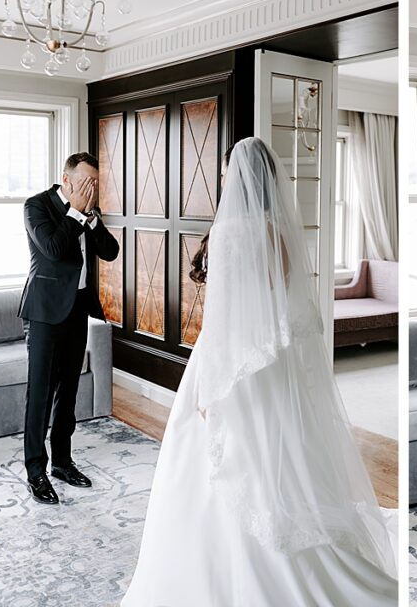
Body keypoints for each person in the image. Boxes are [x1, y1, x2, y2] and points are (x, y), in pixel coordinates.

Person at [122, 137, 397, 606]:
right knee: (277, 453)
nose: (226, 177)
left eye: (228, 169)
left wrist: (210, 386)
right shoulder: (278, 231)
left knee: (223, 459)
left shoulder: (229, 232)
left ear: (238, 176)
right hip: (269, 356)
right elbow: (281, 301)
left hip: (229, 355)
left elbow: (223, 314)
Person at [18, 152, 120, 505]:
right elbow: (53, 248)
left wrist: (91, 220)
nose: (92, 190)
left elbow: (111, 252)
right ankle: (35, 471)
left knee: (69, 391)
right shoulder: (36, 207)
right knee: (41, 393)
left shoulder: (88, 213)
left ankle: (62, 462)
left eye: (96, 183)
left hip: (77, 309)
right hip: (45, 312)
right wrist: (76, 213)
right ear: (67, 180)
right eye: (86, 183)